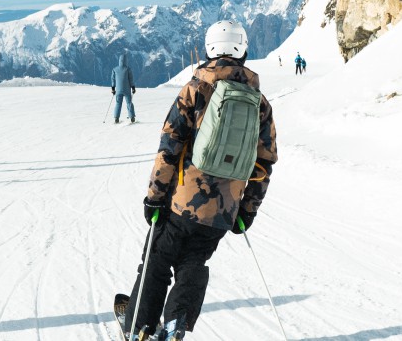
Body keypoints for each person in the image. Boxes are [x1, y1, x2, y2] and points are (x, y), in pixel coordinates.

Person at [120, 21, 278, 341]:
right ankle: (177, 323)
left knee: (157, 261)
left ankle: (139, 327)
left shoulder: (195, 88)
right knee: (194, 261)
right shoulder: (259, 102)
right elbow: (264, 163)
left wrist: (154, 197)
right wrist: (246, 211)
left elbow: (169, 148)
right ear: (242, 50)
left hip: (182, 201)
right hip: (223, 211)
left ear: (209, 49)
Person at [112, 54, 137, 124]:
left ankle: (116, 118)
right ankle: (132, 117)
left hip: (118, 90)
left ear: (119, 60)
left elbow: (113, 79)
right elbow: (131, 79)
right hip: (127, 90)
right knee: (129, 103)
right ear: (126, 61)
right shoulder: (128, 69)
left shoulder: (115, 69)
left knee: (118, 103)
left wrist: (113, 88)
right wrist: (133, 88)